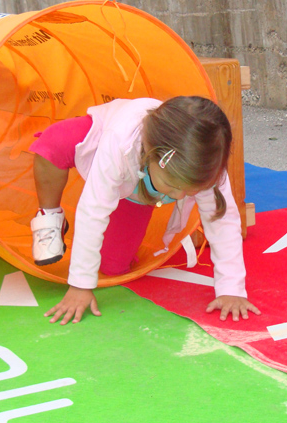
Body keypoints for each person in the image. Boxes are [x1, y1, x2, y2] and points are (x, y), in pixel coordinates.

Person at [29, 95, 260, 325]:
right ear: (151, 155)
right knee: (54, 143)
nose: (179, 196)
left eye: (191, 191)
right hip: (99, 144)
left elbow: (222, 220)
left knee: (113, 267)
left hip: (135, 192)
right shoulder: (119, 142)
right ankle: (50, 214)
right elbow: (93, 210)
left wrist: (231, 289)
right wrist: (80, 285)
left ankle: (136, 208)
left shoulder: (206, 167)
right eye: (172, 186)